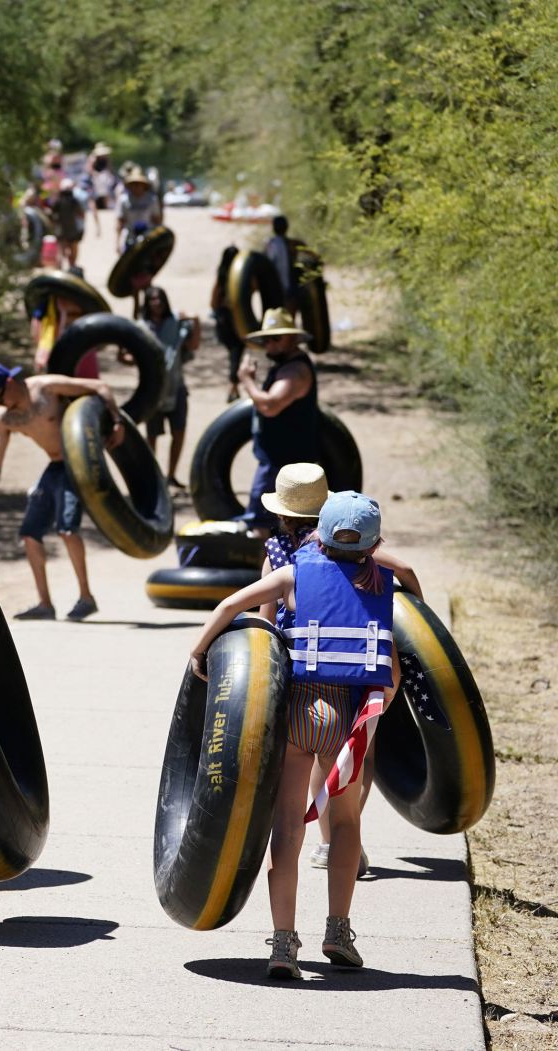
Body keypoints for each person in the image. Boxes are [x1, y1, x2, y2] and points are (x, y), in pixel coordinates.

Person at [189, 490, 400, 979]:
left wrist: (199, 652)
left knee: (287, 828)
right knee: (345, 826)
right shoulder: (381, 583)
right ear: (372, 543)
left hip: (300, 709)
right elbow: (391, 661)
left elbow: (230, 607)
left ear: (319, 535)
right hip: (349, 714)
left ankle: (283, 944)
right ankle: (337, 931)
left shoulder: (295, 574)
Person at [255, 464, 423, 879]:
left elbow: (265, 622)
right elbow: (405, 570)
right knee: (356, 757)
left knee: (308, 756)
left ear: (280, 512)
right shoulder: (357, 551)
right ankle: (341, 839)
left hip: (301, 667)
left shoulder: (276, 552)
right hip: (357, 663)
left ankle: (328, 843)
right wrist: (418, 616)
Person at [0, 363, 122, 621]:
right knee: (29, 534)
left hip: (78, 464)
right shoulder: (8, 420)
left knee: (67, 529)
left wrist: (117, 421)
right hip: (54, 467)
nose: (0, 405)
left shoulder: (47, 387)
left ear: (10, 383)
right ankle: (45, 604)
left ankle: (86, 598)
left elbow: (100, 387)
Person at [235, 308, 318, 533]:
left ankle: (268, 568)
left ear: (292, 338)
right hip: (275, 461)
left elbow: (270, 405)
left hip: (284, 464)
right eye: (266, 339)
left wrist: (246, 380)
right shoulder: (284, 367)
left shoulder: (295, 370)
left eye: (275, 338)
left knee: (261, 528)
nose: (269, 344)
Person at [137, 287, 197, 488]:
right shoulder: (141, 327)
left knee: (178, 432)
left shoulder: (176, 323)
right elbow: (130, 355)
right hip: (152, 389)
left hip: (176, 387)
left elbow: (194, 345)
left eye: (159, 298)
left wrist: (195, 320)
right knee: (152, 435)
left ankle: (171, 475)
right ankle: (152, 477)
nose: (156, 302)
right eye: (152, 299)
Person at [209, 245, 247, 402]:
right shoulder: (241, 276)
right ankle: (234, 387)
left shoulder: (222, 277)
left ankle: (234, 387)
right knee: (236, 352)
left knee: (234, 353)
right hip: (235, 319)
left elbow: (213, 302)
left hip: (225, 320)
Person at [114, 163, 164, 253]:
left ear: (143, 185)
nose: (136, 187)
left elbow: (157, 220)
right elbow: (120, 222)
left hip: (148, 237)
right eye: (133, 184)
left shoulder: (151, 199)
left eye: (138, 184)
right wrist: (117, 242)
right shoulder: (124, 200)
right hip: (130, 237)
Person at [50, 178, 85, 269]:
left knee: (61, 251)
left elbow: (52, 215)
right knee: (73, 250)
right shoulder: (73, 201)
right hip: (72, 230)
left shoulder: (58, 201)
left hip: (61, 231)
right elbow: (81, 214)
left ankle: (60, 269)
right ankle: (72, 267)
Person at [85, 143, 115, 237]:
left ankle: (106, 209)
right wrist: (96, 175)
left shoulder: (106, 158)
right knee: (93, 201)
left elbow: (110, 169)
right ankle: (98, 226)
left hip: (104, 181)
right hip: (94, 182)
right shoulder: (92, 159)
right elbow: (89, 170)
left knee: (106, 194)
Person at [266, 215, 295, 299]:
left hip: (273, 288)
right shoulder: (293, 244)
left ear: (273, 228)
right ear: (286, 228)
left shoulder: (269, 244)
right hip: (289, 288)